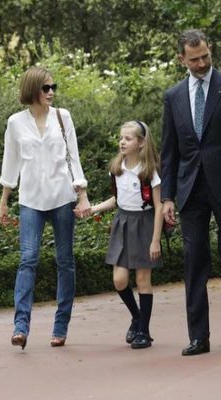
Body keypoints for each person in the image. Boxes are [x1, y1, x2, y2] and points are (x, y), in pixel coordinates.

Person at [0, 66, 90, 350]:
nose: (51, 93)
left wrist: (82, 195)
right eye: (45, 88)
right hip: (30, 201)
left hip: (62, 197)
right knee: (28, 259)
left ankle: (60, 328)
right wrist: (4, 201)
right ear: (32, 90)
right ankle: (20, 327)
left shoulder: (63, 117)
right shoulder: (15, 123)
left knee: (65, 261)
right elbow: (10, 163)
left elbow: (73, 157)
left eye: (53, 88)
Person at [161, 29, 221, 356]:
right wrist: (167, 197)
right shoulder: (173, 96)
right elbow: (169, 153)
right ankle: (199, 337)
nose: (201, 64)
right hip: (189, 191)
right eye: (194, 59)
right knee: (194, 263)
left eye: (205, 57)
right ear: (181, 58)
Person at [90, 120, 163, 349]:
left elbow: (159, 206)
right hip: (122, 222)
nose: (122, 142)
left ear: (141, 143)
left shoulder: (149, 171)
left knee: (142, 280)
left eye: (128, 138)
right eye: (121, 138)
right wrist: (93, 209)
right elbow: (117, 200)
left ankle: (144, 332)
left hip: (144, 224)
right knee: (119, 280)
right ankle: (137, 317)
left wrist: (155, 240)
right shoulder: (117, 168)